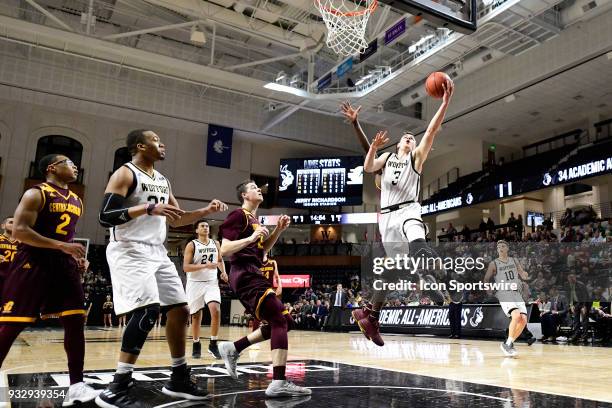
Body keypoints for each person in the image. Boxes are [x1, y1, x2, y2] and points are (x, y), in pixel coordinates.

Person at [97, 129, 228, 407]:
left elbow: (177, 219)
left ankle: (178, 377)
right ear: (140, 146)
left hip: (157, 251)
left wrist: (204, 212)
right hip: (130, 249)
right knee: (148, 310)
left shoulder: (163, 180)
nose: (162, 143)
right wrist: (146, 209)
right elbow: (105, 216)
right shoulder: (125, 173)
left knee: (180, 310)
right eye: (156, 139)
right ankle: (117, 387)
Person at [344, 78, 454, 347]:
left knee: (415, 230)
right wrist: (359, 128)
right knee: (393, 272)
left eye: (412, 138)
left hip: (408, 211)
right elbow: (368, 166)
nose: (409, 137)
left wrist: (445, 103)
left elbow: (431, 131)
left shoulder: (416, 159)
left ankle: (425, 266)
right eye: (405, 137)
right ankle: (371, 316)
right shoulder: (387, 160)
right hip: (388, 219)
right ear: (396, 145)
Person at [0, 154, 100, 405]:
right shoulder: (36, 193)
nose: (75, 166)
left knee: (76, 321)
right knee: (13, 324)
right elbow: (21, 231)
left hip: (63, 264)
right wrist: (61, 246)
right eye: (68, 162)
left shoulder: (77, 199)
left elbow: (68, 236)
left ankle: (77, 384)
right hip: (33, 261)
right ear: (52, 168)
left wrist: (76, 256)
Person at [217, 180, 311, 397]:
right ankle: (278, 381)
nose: (258, 189)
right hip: (243, 272)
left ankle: (234, 348)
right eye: (253, 187)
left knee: (285, 322)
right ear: (244, 196)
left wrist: (278, 230)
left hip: (253, 270)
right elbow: (224, 249)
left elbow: (261, 251)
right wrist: (251, 237)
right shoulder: (238, 215)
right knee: (279, 320)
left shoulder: (254, 219)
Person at [183, 220, 228, 359]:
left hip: (211, 283)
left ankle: (213, 344)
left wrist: (223, 272)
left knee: (216, 310)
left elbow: (219, 260)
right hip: (194, 283)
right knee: (196, 316)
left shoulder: (216, 243)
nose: (205, 228)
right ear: (196, 230)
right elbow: (186, 267)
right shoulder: (191, 245)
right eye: (202, 226)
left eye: (207, 226)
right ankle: (196, 343)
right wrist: (204, 266)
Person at [484, 240, 533, 357]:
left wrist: (526, 275)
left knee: (523, 320)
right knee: (516, 315)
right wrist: (488, 289)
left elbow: (522, 274)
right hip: (504, 292)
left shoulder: (514, 260)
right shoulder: (494, 264)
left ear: (507, 248)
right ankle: (508, 344)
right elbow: (486, 279)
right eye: (498, 246)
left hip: (516, 293)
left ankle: (508, 343)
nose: (500, 248)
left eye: (503, 246)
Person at [0, 216, 18, 295]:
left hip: (14, 278)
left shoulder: (23, 242)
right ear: (3, 226)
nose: (14, 225)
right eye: (11, 222)